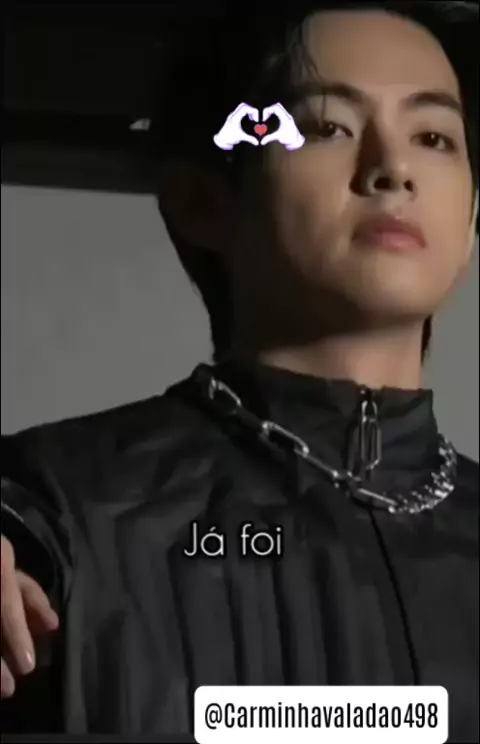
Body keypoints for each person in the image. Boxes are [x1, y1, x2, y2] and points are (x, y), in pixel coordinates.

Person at [1, 1, 478, 740]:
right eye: (326, 127)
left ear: (471, 219)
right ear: (203, 203)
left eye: (434, 136)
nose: (393, 169)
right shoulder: (57, 509)